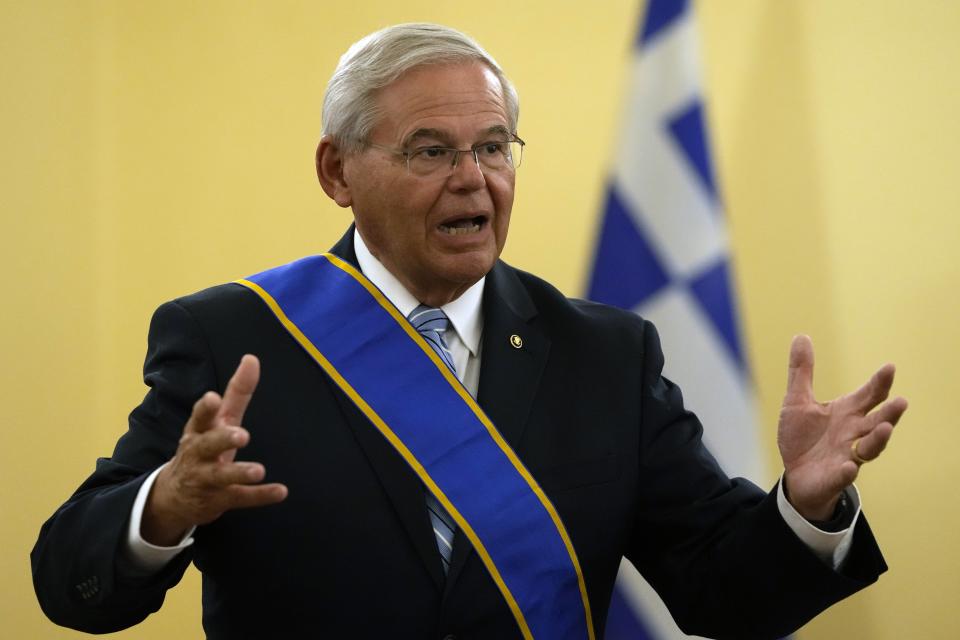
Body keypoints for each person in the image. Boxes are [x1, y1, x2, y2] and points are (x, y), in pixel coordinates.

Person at [32, 23, 906, 640]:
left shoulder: (605, 354)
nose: (473, 180)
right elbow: (69, 584)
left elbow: (725, 600)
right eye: (429, 151)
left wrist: (805, 506)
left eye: (494, 147)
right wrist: (165, 508)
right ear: (338, 170)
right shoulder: (231, 338)